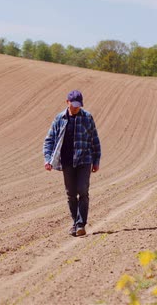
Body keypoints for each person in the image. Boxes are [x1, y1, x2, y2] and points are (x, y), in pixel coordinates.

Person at [43, 90, 101, 237]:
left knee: (82, 190)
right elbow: (49, 140)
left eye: (78, 105)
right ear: (67, 102)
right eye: (73, 105)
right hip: (67, 161)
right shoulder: (59, 119)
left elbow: (95, 140)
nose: (76, 108)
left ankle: (81, 224)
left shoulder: (87, 118)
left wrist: (96, 160)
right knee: (70, 194)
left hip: (84, 160)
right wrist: (48, 159)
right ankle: (75, 223)